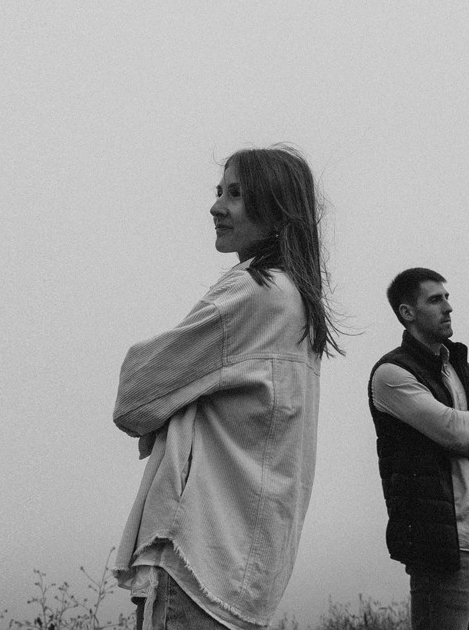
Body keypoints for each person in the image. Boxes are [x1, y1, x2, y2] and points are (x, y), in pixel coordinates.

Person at [113, 147, 343, 630]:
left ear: (279, 208)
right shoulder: (298, 301)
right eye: (219, 192)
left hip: (198, 552)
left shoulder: (254, 293)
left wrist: (180, 396)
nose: (217, 206)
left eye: (237, 194)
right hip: (246, 564)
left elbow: (135, 393)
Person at [369, 267, 469, 630]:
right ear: (407, 312)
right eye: (435, 300)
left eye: (447, 298)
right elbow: (456, 433)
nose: (448, 307)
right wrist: (468, 427)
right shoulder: (392, 374)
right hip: (441, 545)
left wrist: (468, 429)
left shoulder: (456, 367)